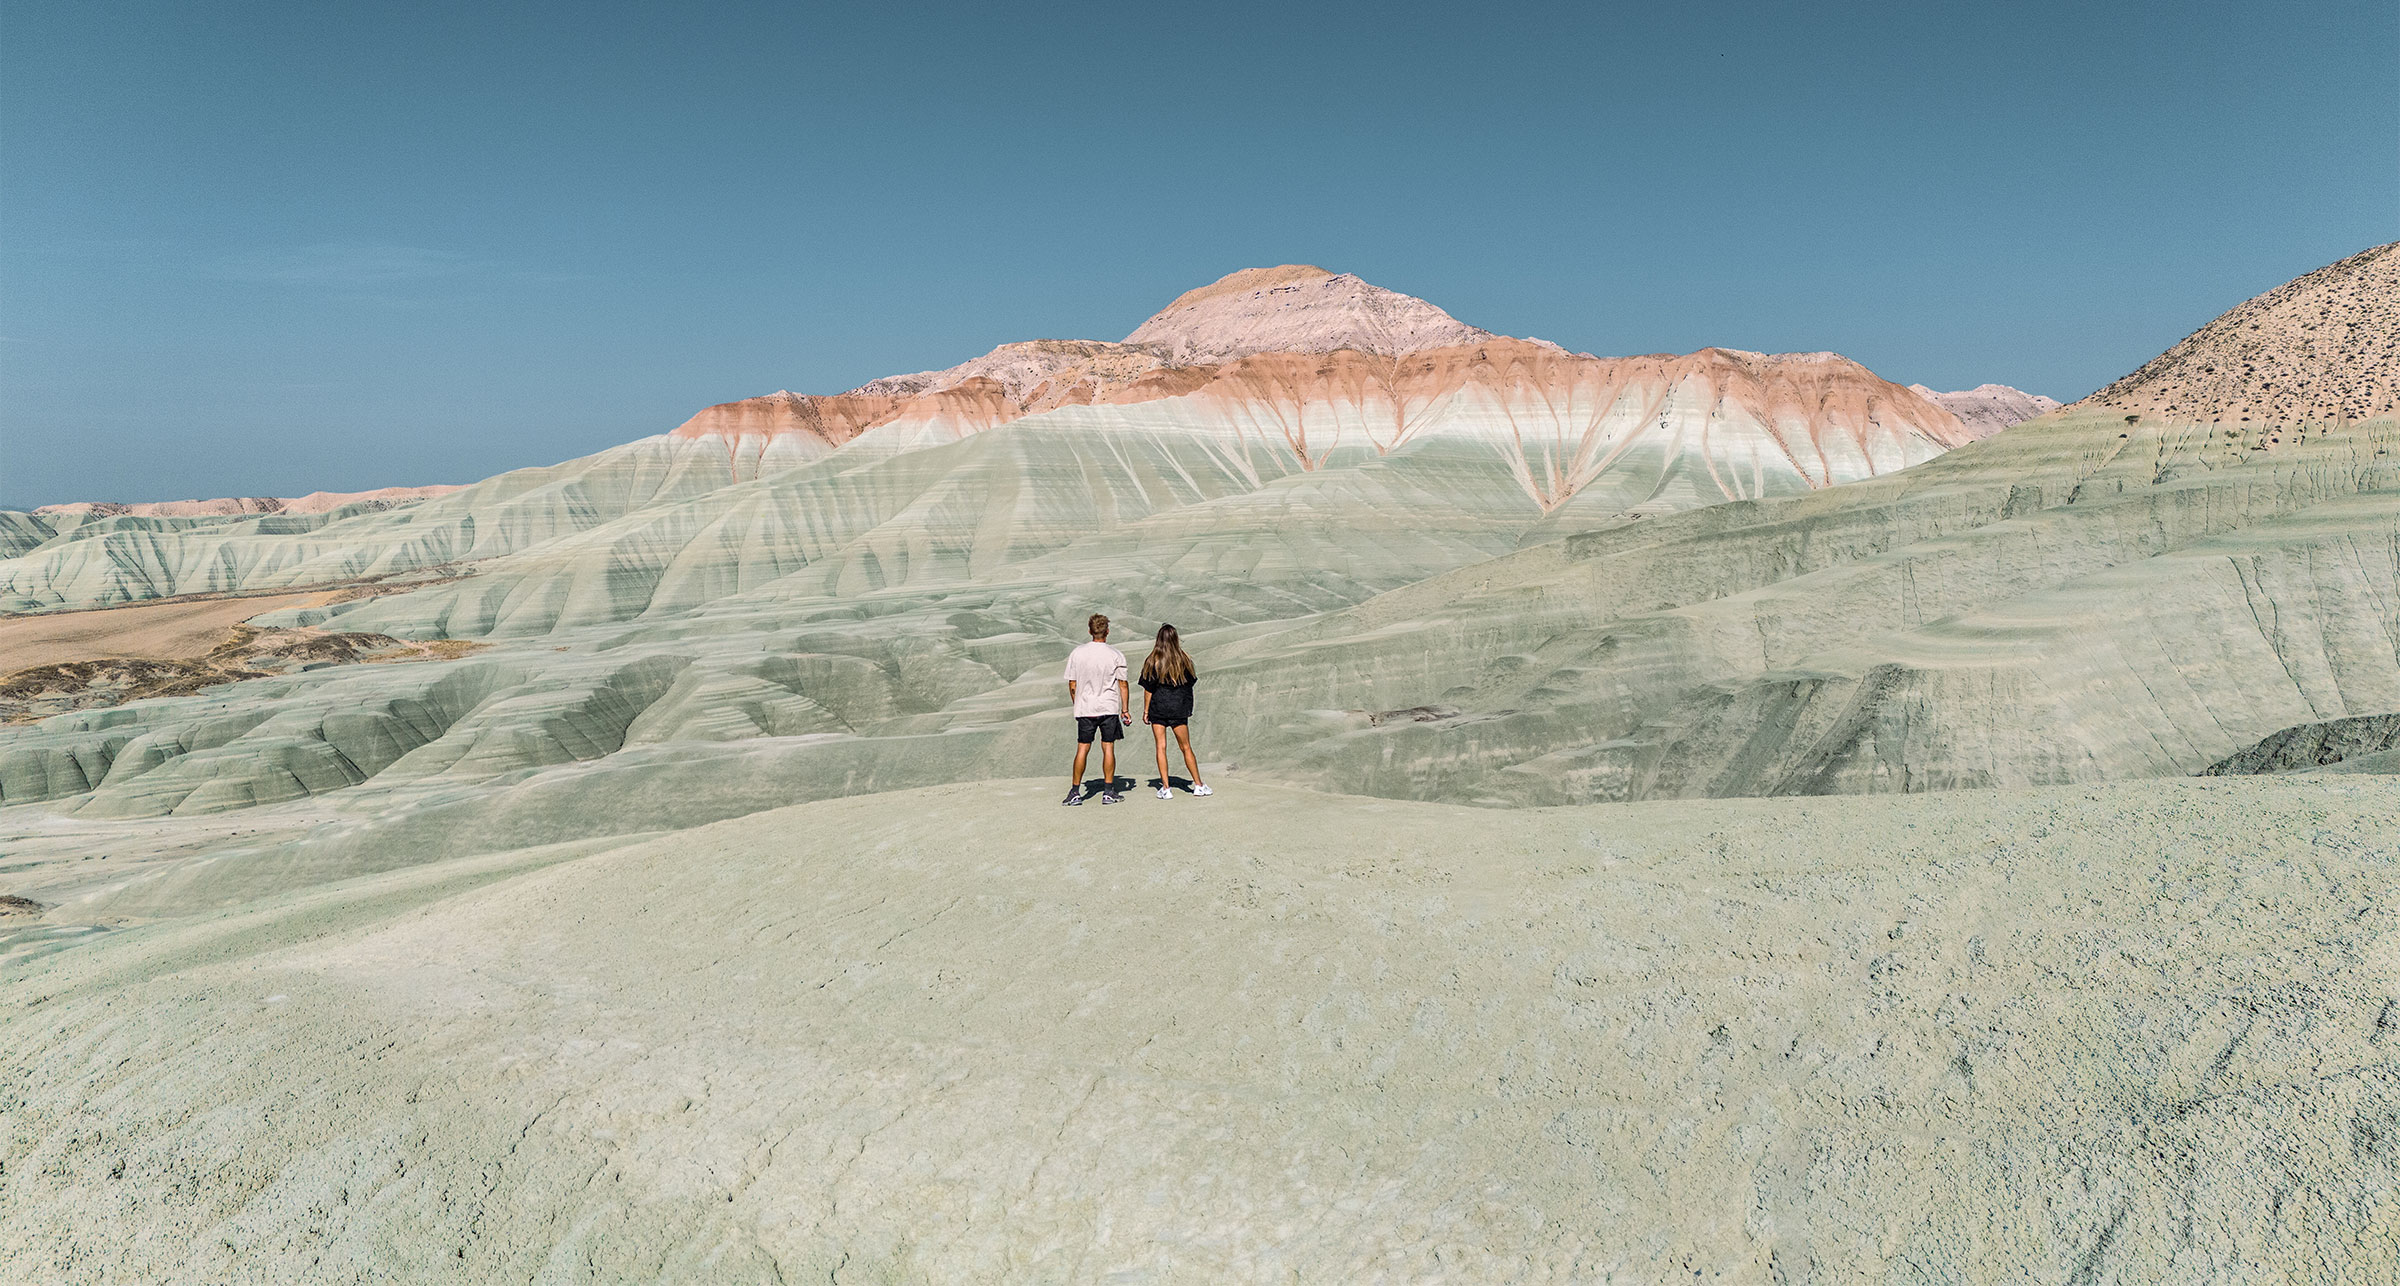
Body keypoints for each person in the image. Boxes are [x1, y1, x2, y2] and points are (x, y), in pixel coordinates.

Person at [1062, 613, 1131, 805]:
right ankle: (1108, 791)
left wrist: (1078, 702)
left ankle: (1075, 791)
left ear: (1089, 631)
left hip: (1086, 707)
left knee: (1083, 748)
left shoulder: (1078, 653)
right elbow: (1123, 684)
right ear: (1107, 631)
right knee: (1108, 747)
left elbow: (1072, 683)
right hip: (1108, 707)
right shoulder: (1115, 654)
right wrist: (1125, 709)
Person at [1138, 623, 1212, 800]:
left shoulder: (1152, 661)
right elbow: (1190, 683)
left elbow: (1148, 689)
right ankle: (1198, 785)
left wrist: (1146, 711)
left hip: (1158, 708)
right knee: (1186, 747)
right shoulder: (1185, 660)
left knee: (1161, 747)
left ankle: (1166, 788)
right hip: (1179, 709)